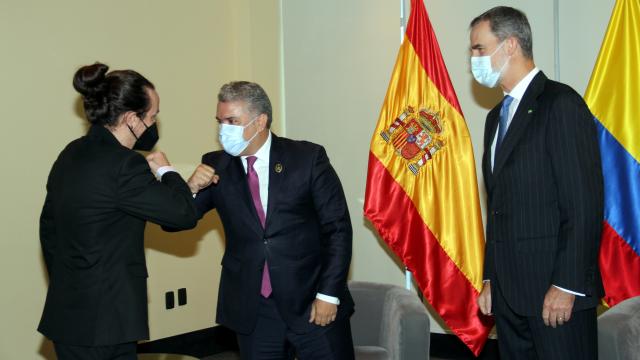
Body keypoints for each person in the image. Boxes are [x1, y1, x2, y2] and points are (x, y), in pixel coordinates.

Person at [38, 62, 214, 360]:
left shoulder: (71, 153)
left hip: (68, 315)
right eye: (153, 116)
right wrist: (167, 171)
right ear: (132, 118)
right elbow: (182, 215)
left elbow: (49, 230)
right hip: (106, 321)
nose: (154, 123)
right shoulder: (125, 164)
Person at [469, 7, 604, 360]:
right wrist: (489, 277)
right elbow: (498, 207)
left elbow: (584, 203)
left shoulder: (561, 104)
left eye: (480, 48)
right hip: (511, 295)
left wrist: (567, 284)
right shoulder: (495, 118)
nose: (474, 58)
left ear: (510, 45)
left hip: (556, 295)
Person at [187, 81, 355, 359]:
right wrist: (190, 188)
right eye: (220, 121)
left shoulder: (307, 158)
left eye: (232, 121)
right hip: (255, 309)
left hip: (313, 303)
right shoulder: (216, 164)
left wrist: (328, 295)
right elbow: (179, 220)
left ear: (260, 120)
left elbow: (337, 229)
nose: (223, 130)